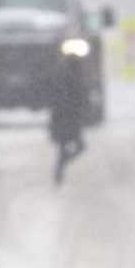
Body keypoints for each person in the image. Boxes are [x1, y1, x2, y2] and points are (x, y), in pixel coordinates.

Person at [46, 54, 89, 186]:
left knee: (64, 149)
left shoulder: (61, 77)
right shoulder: (73, 80)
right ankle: (59, 171)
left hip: (62, 119)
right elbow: (79, 98)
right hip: (70, 119)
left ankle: (59, 171)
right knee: (77, 146)